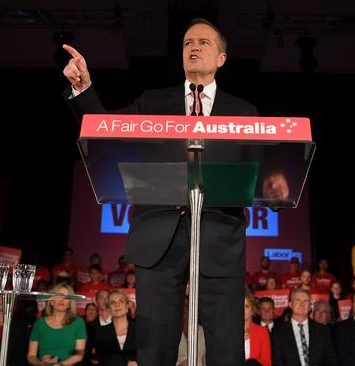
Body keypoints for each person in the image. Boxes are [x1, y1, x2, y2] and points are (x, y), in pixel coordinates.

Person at [63, 17, 257, 366]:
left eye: (203, 42)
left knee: (227, 349)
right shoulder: (152, 101)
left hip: (219, 239)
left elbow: (260, 175)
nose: (193, 48)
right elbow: (104, 129)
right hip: (159, 238)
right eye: (187, 43)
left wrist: (272, 186)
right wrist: (84, 88)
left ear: (221, 58)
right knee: (155, 348)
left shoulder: (244, 112)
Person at [271, 288, 337, 366]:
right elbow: (277, 362)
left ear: (310, 307)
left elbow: (331, 360)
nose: (302, 304)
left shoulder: (323, 331)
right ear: (290, 304)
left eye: (305, 301)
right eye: (298, 300)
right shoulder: (278, 332)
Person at [28, 283, 87, 366]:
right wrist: (41, 363)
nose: (61, 300)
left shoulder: (78, 322)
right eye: (58, 295)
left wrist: (60, 364)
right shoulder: (39, 323)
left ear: (70, 303)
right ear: (51, 301)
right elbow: (31, 356)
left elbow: (79, 355)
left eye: (66, 297)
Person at [94, 290, 137, 366]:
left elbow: (150, 355)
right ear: (109, 309)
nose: (117, 305)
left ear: (127, 307)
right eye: (112, 302)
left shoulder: (139, 329)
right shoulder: (101, 332)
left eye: (121, 301)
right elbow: (101, 360)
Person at [244, 290, 271, 366]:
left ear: (252, 310)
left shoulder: (262, 331)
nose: (243, 310)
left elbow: (266, 362)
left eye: (246, 306)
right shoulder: (229, 332)